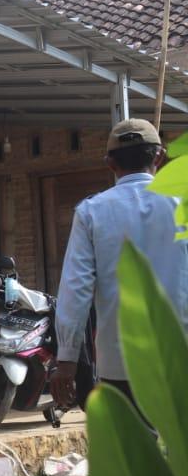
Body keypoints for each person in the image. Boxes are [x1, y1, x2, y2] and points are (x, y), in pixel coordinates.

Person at [51, 118, 188, 410]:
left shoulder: (91, 212)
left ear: (110, 163)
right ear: (160, 157)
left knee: (133, 440)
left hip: (120, 364)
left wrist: (66, 361)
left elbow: (76, 290)